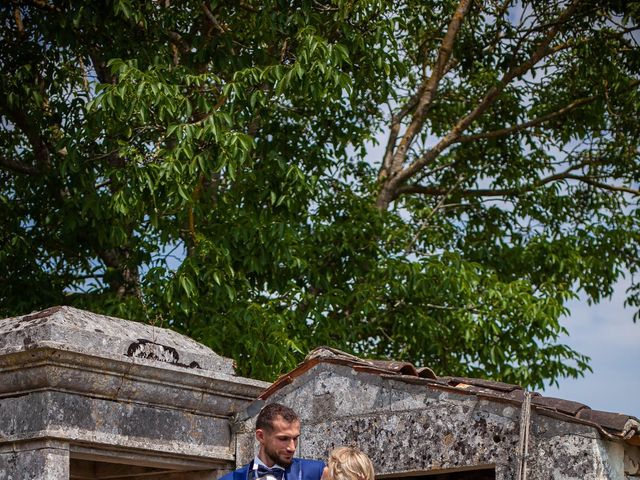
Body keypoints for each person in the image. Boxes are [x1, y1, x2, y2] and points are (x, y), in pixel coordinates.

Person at [220, 403, 325, 480]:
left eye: (295, 438)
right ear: (261, 436)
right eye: (283, 439)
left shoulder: (317, 472)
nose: (292, 448)